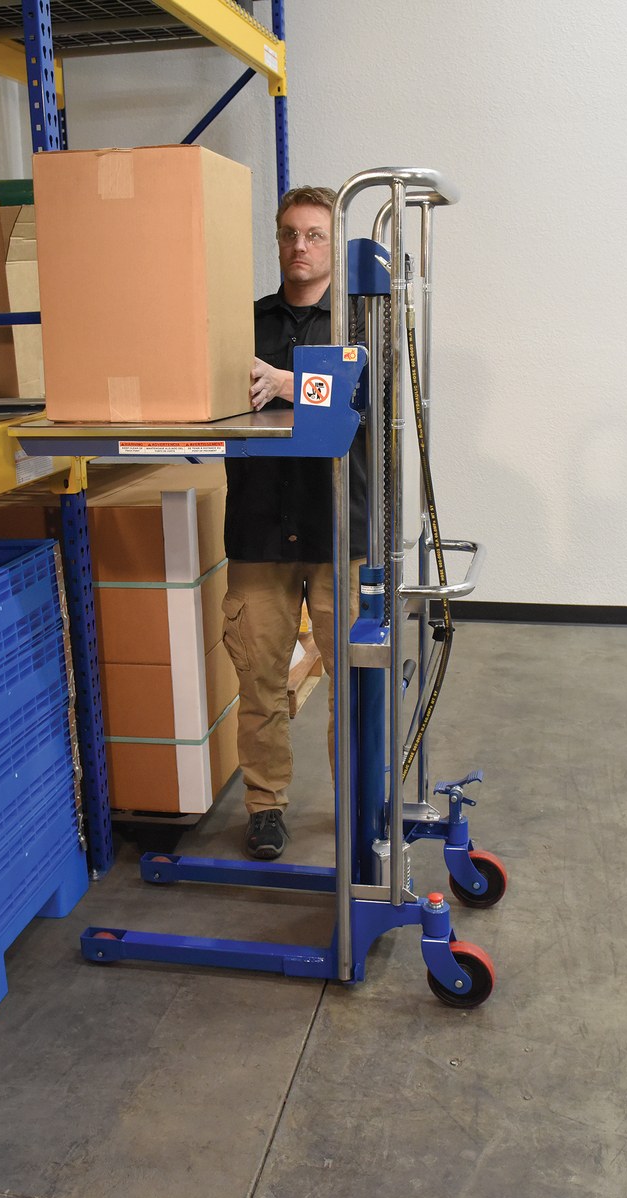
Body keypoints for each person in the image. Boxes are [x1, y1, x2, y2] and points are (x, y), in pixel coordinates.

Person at [222, 185, 367, 860]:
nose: (299, 246)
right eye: (288, 234)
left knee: (354, 683)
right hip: (259, 529)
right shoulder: (241, 326)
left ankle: (357, 802)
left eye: (313, 234)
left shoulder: (362, 324)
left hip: (340, 531)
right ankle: (264, 807)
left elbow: (372, 396)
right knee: (259, 679)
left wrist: (289, 385)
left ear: (334, 243)